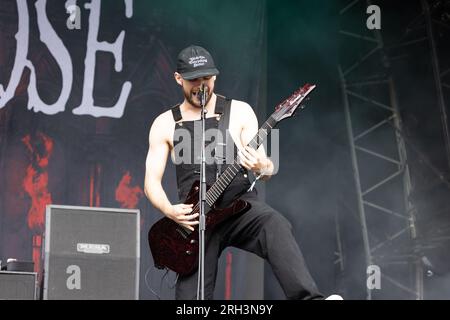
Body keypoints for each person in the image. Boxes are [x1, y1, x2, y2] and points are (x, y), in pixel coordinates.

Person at [144, 45, 342, 300]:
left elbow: (267, 167)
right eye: (194, 80)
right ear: (178, 78)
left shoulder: (239, 111)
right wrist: (169, 210)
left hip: (240, 206)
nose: (202, 86)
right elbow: (151, 183)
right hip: (196, 219)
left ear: (215, 76)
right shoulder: (164, 124)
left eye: (207, 78)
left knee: (275, 224)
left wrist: (262, 166)